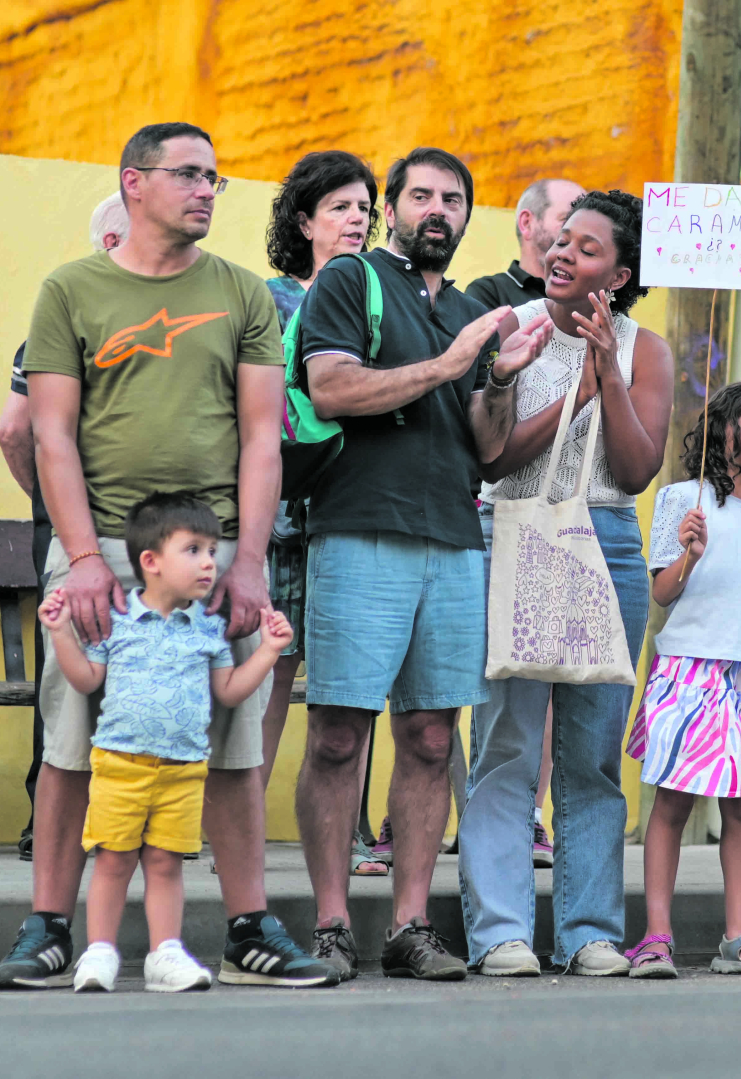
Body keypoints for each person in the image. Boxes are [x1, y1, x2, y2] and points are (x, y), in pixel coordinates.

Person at [0, 122, 338, 991]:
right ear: (133, 183)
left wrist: (247, 558)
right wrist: (82, 558)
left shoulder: (241, 294)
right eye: (188, 174)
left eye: (215, 178)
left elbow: (261, 437)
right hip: (102, 550)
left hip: (210, 557)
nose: (206, 190)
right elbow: (51, 434)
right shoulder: (71, 290)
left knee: (229, 744)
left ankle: (249, 927)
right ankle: (49, 926)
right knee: (74, 738)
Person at [291, 146, 553, 983]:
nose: (438, 210)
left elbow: (487, 449)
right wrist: (449, 362)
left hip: (453, 535)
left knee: (433, 737)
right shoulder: (351, 279)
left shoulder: (470, 309)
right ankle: (331, 923)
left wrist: (499, 378)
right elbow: (331, 388)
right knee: (339, 734)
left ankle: (409, 923)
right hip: (360, 526)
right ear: (392, 207)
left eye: (453, 199)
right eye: (421, 196)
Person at [460, 189, 674, 978]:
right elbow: (491, 458)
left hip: (606, 539)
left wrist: (605, 374)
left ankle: (587, 931)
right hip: (513, 528)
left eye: (586, 248)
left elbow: (637, 468)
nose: (561, 254)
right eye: (561, 240)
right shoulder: (509, 328)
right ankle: (500, 931)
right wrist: (568, 397)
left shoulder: (646, 350)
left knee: (591, 753)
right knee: (505, 743)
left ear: (616, 275)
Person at [37, 494, 292, 993]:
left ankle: (165, 953)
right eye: (193, 550)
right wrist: (61, 631)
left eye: (212, 550)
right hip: (119, 765)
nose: (209, 562)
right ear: (151, 562)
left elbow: (229, 692)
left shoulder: (209, 629)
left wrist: (268, 651)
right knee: (113, 859)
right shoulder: (117, 620)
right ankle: (99, 952)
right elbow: (86, 680)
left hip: (183, 771)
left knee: (165, 862)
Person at [624, 380, 741, 978]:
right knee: (672, 803)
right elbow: (662, 593)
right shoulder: (683, 499)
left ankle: (738, 938)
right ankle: (656, 936)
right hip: (691, 669)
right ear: (720, 428)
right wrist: (689, 553)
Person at [260, 150, 387, 879]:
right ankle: (238, 829)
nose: (356, 219)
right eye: (340, 207)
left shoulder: (383, 293)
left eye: (364, 208)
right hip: (283, 519)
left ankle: (353, 835)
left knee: (350, 687)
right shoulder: (271, 300)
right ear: (305, 221)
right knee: (271, 674)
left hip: (355, 512)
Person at [0, 192, 130, 862]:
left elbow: (10, 429)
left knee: (66, 677)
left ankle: (51, 827)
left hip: (79, 528)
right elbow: (13, 430)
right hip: (111, 531)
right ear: (111, 242)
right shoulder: (72, 318)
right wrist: (55, 498)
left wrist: (52, 504)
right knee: (86, 675)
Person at [464, 176, 584, 870]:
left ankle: (529, 816)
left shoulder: (601, 321)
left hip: (572, 519)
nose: (571, 238)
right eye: (565, 219)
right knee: (479, 683)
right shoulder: (490, 298)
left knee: (544, 680)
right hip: (494, 509)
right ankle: (452, 810)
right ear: (527, 221)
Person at [466, 177, 585, 309]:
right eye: (568, 219)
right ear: (527, 223)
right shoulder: (489, 292)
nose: (583, 231)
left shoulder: (591, 293)